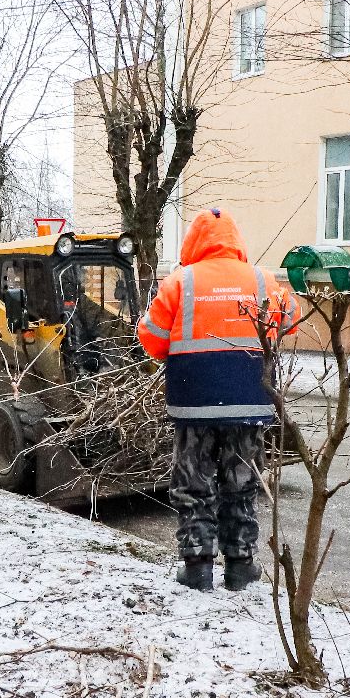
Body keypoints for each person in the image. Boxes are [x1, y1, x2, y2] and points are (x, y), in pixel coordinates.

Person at [136, 208, 298, 592]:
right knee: (241, 481)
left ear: (194, 241)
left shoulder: (180, 282)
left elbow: (152, 341)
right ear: (236, 240)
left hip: (193, 401)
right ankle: (241, 566)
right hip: (249, 398)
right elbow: (288, 319)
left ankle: (197, 568)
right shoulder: (263, 280)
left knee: (193, 482)